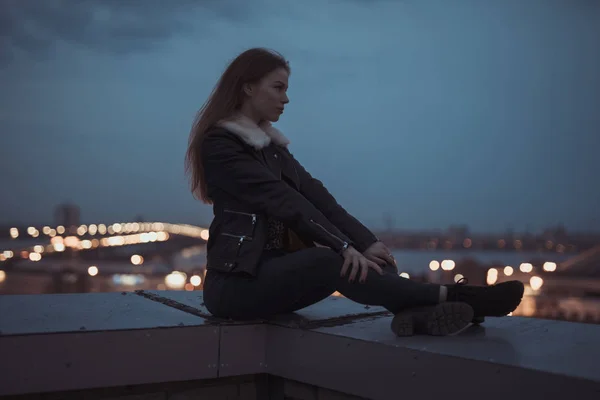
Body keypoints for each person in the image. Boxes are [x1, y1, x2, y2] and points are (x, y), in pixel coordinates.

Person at [185, 48, 524, 336]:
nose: (286, 98)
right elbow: (284, 201)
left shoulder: (271, 148)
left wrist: (366, 243)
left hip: (276, 277)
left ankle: (420, 313)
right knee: (328, 260)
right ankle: (461, 297)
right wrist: (342, 246)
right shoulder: (220, 146)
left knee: (368, 260)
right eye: (278, 88)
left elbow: (318, 198)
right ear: (247, 88)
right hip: (235, 287)